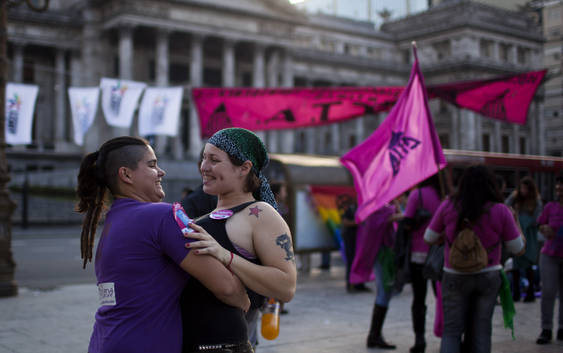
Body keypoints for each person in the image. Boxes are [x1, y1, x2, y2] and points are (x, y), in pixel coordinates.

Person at [76, 136, 250, 353]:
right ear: (126, 174)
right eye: (152, 165)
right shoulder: (162, 215)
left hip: (105, 342)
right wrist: (245, 301)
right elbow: (226, 287)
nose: (161, 172)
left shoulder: (114, 220)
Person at [180, 128, 297, 353]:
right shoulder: (202, 219)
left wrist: (226, 256)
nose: (204, 167)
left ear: (244, 167)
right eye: (204, 158)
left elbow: (286, 286)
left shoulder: (260, 214)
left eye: (214, 160)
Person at [424, 165, 525, 353]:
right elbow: (518, 249)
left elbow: (429, 238)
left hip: (454, 274)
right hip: (488, 275)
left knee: (452, 331)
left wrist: (449, 233)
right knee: (482, 330)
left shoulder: (449, 205)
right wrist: (516, 222)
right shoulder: (501, 210)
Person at [403, 174, 443, 353]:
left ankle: (420, 340)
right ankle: (448, 335)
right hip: (439, 255)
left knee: (419, 299)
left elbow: (407, 223)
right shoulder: (444, 196)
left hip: (418, 255)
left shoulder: (416, 195)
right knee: (442, 297)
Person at [362, 203, 403, 349]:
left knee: (384, 293)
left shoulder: (385, 203)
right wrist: (403, 214)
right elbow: (382, 220)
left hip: (385, 252)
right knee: (384, 293)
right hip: (381, 253)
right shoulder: (377, 205)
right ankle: (374, 336)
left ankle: (375, 335)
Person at [504, 176, 543, 302]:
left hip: (529, 235)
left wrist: (526, 222)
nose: (523, 191)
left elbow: (538, 218)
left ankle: (530, 292)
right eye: (521, 188)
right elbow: (506, 205)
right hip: (518, 232)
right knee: (516, 265)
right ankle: (516, 292)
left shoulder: (536, 202)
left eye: (525, 188)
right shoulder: (516, 199)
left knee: (528, 265)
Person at [535, 175, 563, 345]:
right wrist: (544, 228)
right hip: (549, 255)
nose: (559, 188)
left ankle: (562, 327)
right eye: (558, 185)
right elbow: (540, 224)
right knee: (548, 292)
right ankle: (546, 328)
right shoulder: (550, 207)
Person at [340, 199, 371, 293]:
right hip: (351, 239)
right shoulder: (352, 208)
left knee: (360, 262)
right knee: (351, 262)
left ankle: (359, 284)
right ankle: (351, 284)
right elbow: (345, 222)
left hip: (360, 240)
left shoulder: (365, 208)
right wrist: (357, 222)